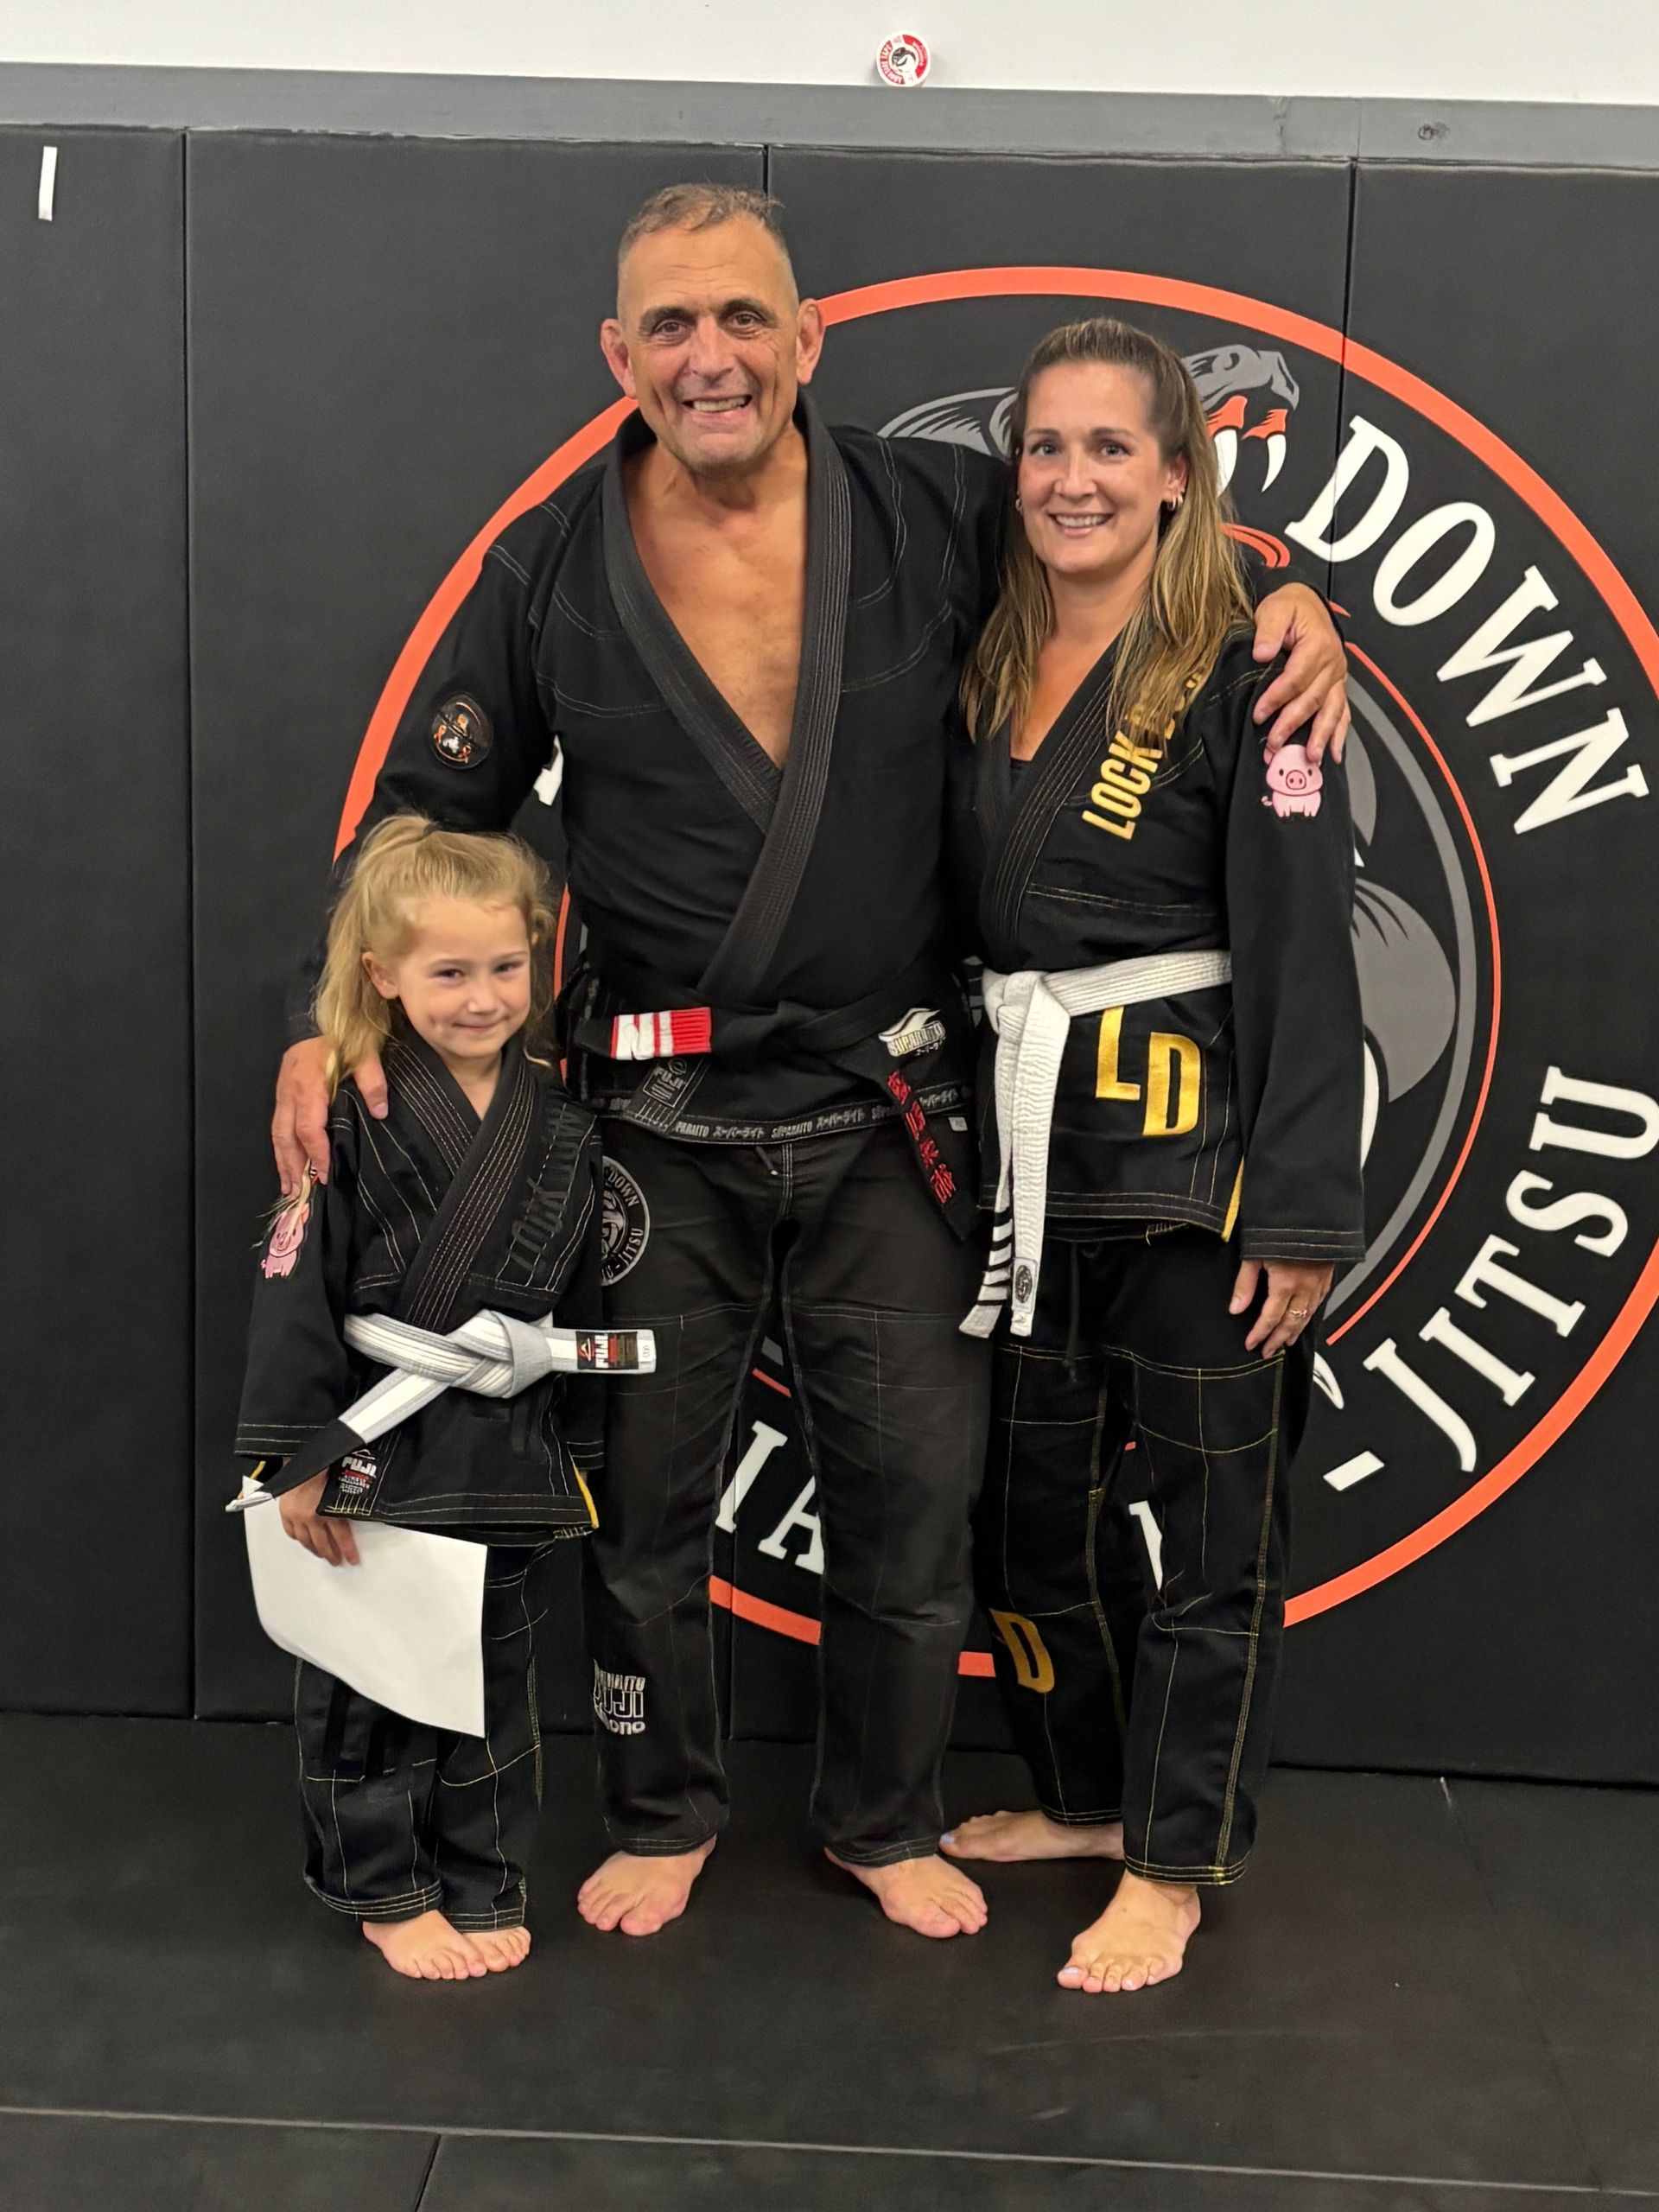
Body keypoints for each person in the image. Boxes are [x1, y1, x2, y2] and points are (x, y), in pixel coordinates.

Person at [269, 185, 1352, 1943]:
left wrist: (1288, 604)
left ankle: (884, 1808)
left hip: (888, 1113)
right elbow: (423, 814)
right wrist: (333, 1020)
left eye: (745, 318)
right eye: (674, 326)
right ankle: (666, 1800)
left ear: (808, 338)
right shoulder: (547, 564)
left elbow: (1128, 556)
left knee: (917, 1495)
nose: (714, 355)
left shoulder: (928, 510)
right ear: (619, 355)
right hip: (653, 1120)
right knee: (648, 1506)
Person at [938, 319, 1364, 1993]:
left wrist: (1308, 1203)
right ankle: (1090, 1796)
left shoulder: (1258, 668)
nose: (1075, 477)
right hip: (1026, 1156)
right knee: (1031, 1520)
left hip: (1198, 1170)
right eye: (1048, 446)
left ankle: (1177, 1856)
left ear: (1179, 474)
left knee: (1204, 1533)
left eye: (1114, 447)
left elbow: (1305, 940)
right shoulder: (987, 647)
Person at [238, 816, 629, 1981]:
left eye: (506, 967)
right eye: (448, 972)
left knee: (490, 1680)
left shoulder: (562, 1124)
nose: (481, 997)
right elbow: (295, 1285)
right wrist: (295, 1456)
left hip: (502, 1444)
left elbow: (577, 1305)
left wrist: (583, 1444)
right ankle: (384, 1885)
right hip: (375, 1439)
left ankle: (485, 1876)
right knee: (371, 1682)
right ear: (382, 978)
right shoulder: (344, 1118)